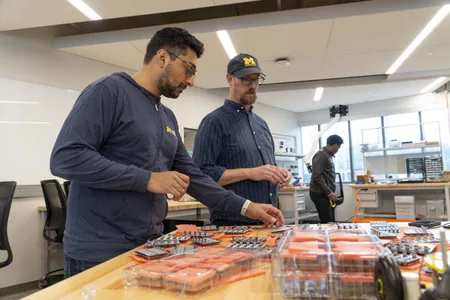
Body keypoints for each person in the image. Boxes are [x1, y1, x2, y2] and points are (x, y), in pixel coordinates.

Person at [50, 28, 285, 278]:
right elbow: (66, 158)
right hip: (98, 252)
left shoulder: (166, 116)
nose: (192, 80)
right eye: (189, 69)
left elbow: (196, 178)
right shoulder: (109, 91)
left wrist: (248, 207)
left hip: (148, 247)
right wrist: (148, 179)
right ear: (162, 58)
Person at [192, 53, 291, 226]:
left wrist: (279, 175)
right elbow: (201, 176)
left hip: (268, 221)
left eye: (256, 79)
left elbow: (267, 168)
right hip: (231, 224)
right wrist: (250, 173)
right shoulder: (213, 122)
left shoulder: (262, 124)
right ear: (230, 79)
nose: (252, 85)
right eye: (246, 79)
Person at [309, 134, 344, 223]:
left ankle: (330, 236)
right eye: (338, 147)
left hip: (325, 194)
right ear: (335, 145)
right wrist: (328, 192)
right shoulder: (321, 155)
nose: (338, 150)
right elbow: (317, 175)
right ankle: (325, 236)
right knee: (327, 222)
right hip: (319, 193)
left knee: (331, 221)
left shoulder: (327, 155)